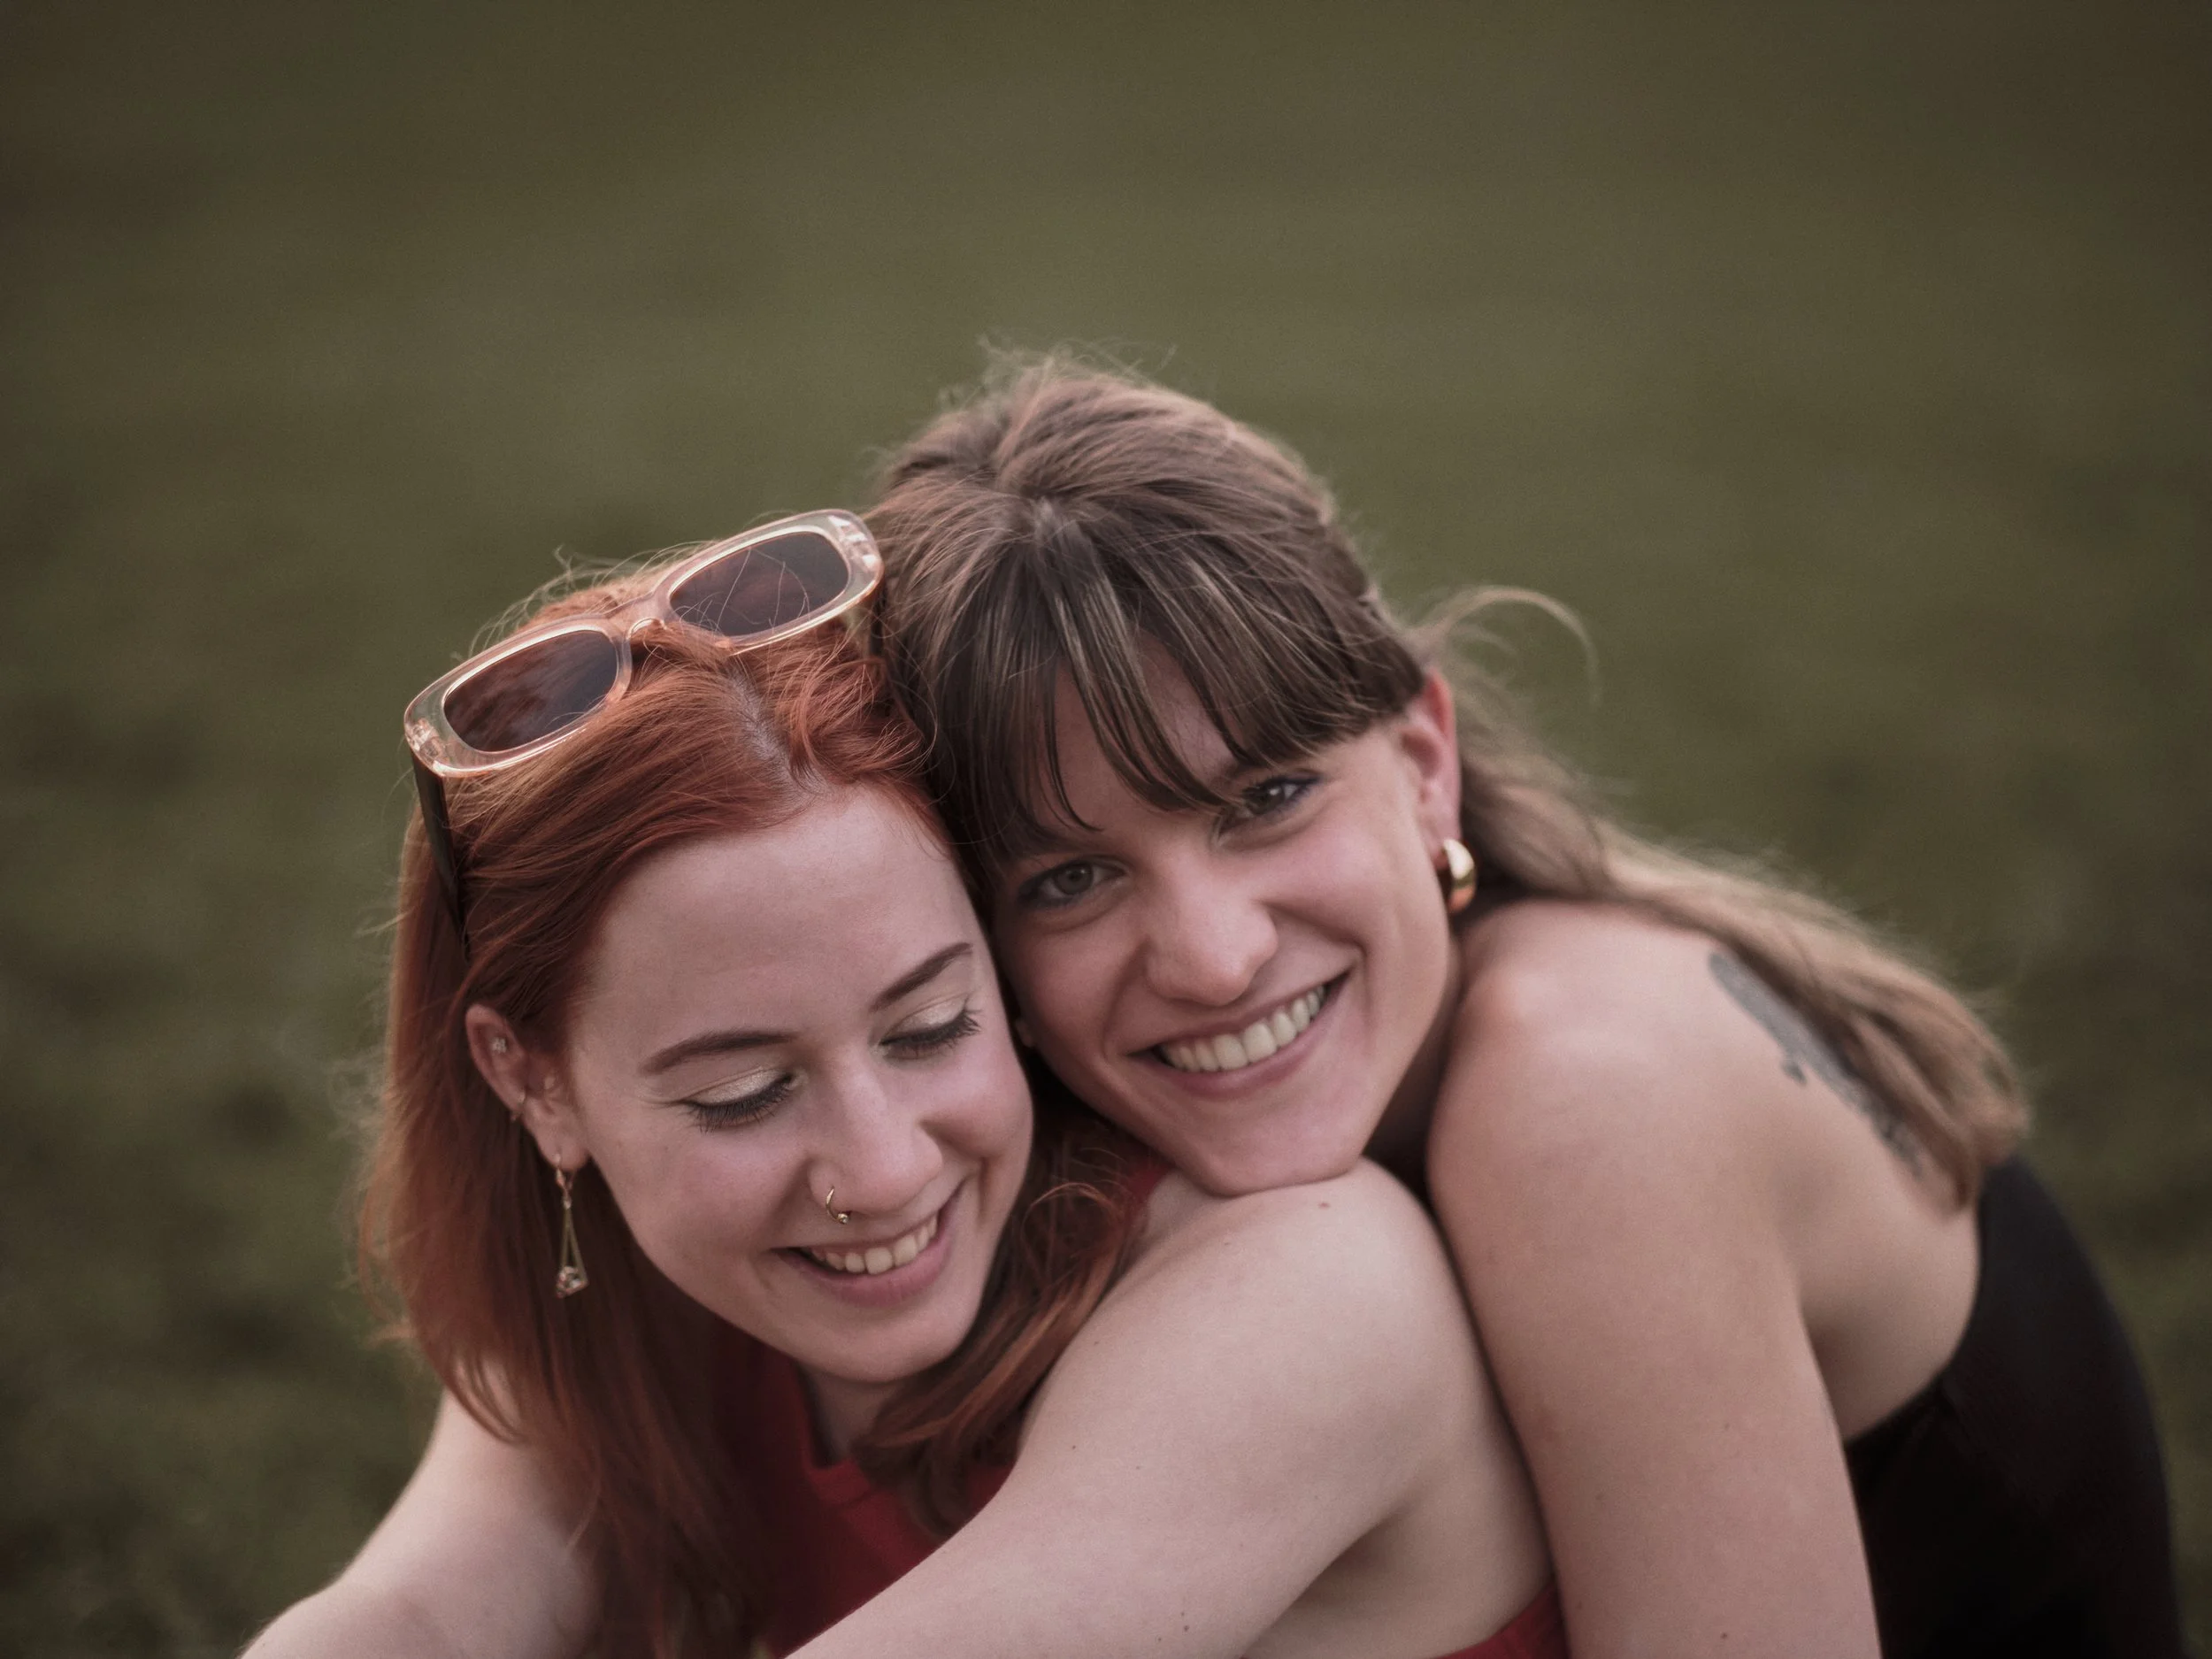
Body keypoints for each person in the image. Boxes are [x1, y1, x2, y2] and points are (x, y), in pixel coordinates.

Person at [861, 361, 2190, 1659]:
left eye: (1265, 799)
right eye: (1074, 878)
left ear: (1424, 768)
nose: (1212, 959)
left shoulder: (1584, 1095)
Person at [244, 513, 1562, 1659]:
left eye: (930, 1025)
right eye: (742, 1094)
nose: (880, 1169)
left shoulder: (1313, 1293)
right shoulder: (637, 1294)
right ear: (534, 1085)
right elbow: (415, 1616)